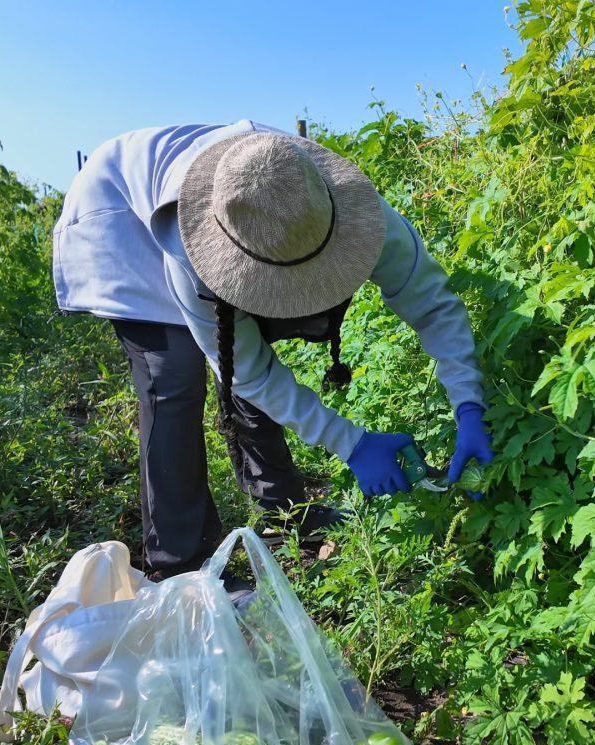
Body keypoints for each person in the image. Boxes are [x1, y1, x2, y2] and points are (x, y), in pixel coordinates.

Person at [53, 120, 493, 578]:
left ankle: (285, 514)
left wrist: (469, 408)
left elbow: (434, 305)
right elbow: (249, 371)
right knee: (174, 378)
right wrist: (353, 444)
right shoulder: (195, 258)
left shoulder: (344, 206)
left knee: (243, 340)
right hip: (119, 217)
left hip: (235, 211)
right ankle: (182, 566)